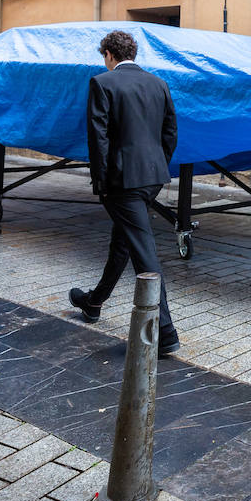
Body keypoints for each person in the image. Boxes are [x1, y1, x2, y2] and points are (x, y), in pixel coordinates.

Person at [70, 30, 181, 356]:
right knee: (124, 241)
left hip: (122, 181)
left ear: (108, 54)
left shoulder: (102, 82)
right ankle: (93, 302)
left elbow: (98, 138)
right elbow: (170, 131)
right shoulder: (158, 83)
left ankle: (165, 331)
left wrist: (101, 182)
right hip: (152, 176)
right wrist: (158, 165)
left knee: (142, 251)